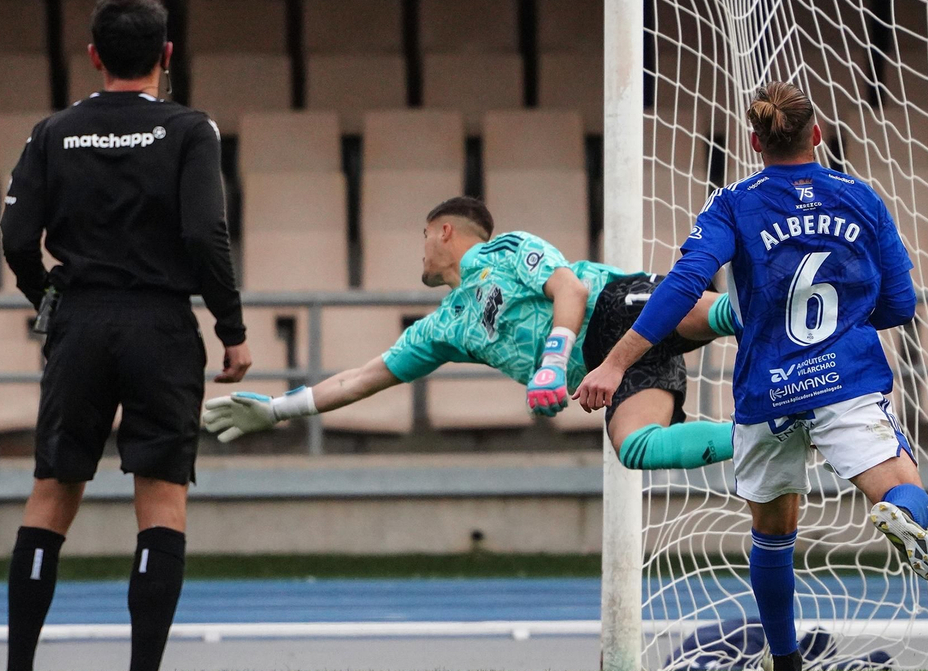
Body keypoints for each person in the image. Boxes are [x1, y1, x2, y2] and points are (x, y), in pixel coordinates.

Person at [574, 81, 928, 671]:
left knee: (773, 533)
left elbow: (684, 283)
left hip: (766, 391)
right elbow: (901, 305)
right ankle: (897, 514)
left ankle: (785, 668)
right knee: (908, 489)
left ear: (754, 140)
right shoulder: (861, 198)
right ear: (818, 135)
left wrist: (616, 363)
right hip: (844, 381)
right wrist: (853, 316)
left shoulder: (732, 203)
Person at [0, 0, 249, 671]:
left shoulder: (53, 131)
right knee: (161, 502)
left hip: (79, 322)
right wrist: (230, 327)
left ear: (94, 54)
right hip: (161, 326)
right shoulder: (188, 129)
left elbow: (15, 234)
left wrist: (46, 296)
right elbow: (207, 230)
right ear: (167, 56)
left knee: (50, 497)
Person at [203, 195, 737, 475]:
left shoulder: (504, 249)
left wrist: (553, 364)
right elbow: (361, 379)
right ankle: (759, 436)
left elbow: (570, 291)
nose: (421, 250)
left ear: (444, 230)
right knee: (637, 448)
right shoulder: (442, 328)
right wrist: (275, 411)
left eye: (423, 237)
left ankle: (804, 315)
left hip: (615, 306)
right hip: (607, 369)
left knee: (729, 315)